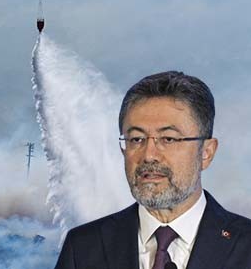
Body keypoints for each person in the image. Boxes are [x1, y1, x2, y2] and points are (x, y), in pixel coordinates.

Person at [54, 71, 251, 269]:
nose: (149, 155)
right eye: (136, 139)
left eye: (169, 139)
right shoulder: (83, 247)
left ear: (206, 153)